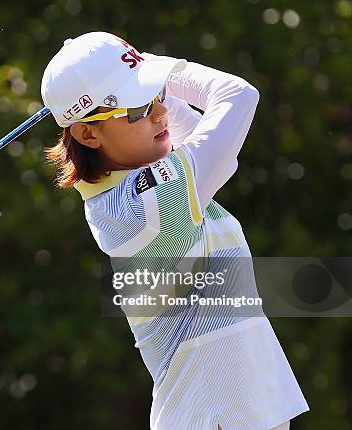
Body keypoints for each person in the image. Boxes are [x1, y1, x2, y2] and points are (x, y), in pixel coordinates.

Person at [41, 32, 309, 430]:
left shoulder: (134, 187)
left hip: (229, 415)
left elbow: (200, 133)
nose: (159, 114)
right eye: (136, 111)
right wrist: (160, 67)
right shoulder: (149, 204)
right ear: (87, 133)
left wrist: (135, 74)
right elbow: (237, 96)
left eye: (155, 99)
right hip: (216, 418)